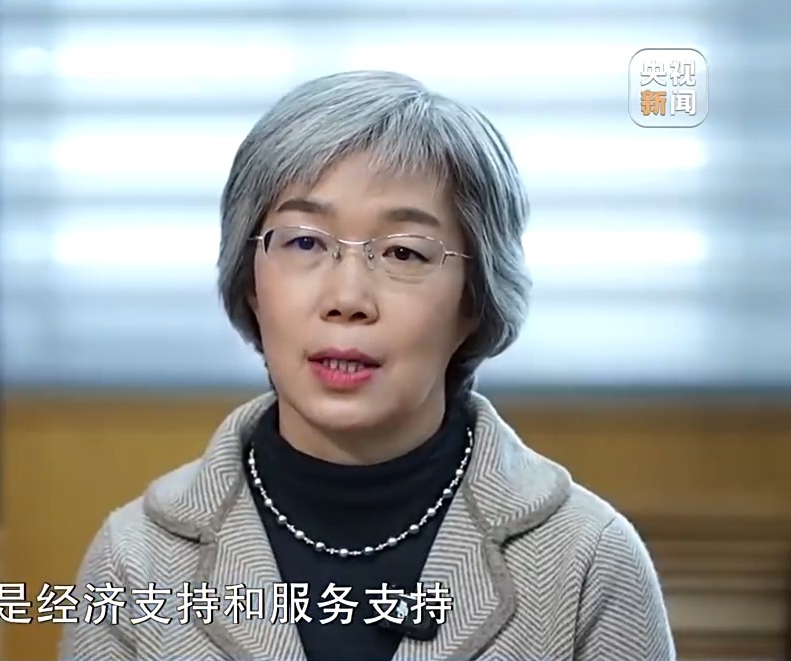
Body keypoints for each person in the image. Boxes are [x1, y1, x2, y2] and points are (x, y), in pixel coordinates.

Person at [59, 71, 675, 661]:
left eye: (404, 252)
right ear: (251, 283)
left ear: (473, 299)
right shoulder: (136, 559)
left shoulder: (587, 559)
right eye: (304, 242)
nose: (348, 298)